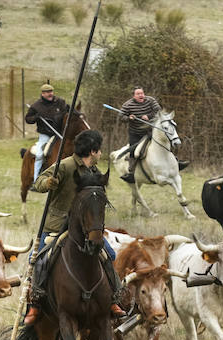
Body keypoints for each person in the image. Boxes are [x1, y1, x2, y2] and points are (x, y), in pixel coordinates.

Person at [23, 130, 126, 326]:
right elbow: (38, 183)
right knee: (38, 260)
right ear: (93, 151)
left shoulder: (95, 172)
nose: (101, 154)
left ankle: (113, 299)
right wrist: (48, 182)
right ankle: (35, 303)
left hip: (84, 229)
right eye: (99, 150)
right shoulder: (65, 165)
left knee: (109, 255)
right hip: (56, 225)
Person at [118, 86, 189, 183]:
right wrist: (129, 118)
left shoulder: (151, 100)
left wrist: (149, 116)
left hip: (151, 130)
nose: (141, 95)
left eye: (142, 93)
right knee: (134, 151)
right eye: (138, 94)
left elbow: (158, 111)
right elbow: (121, 116)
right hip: (136, 132)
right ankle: (131, 172)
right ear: (134, 96)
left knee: (167, 142)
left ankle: (176, 162)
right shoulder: (128, 105)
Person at [25, 84, 67, 180]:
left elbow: (67, 113)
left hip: (60, 134)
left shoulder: (60, 103)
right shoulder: (36, 106)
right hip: (45, 135)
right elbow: (28, 119)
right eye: (47, 92)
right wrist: (36, 117)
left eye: (51, 92)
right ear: (42, 94)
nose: (50, 94)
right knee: (40, 154)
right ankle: (36, 180)